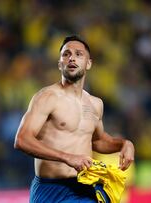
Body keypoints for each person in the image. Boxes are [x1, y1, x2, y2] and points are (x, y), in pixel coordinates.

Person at [14, 35, 135, 202]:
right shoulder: (47, 97)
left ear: (88, 63)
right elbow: (22, 140)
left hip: (84, 186)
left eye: (79, 54)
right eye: (66, 54)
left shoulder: (95, 104)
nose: (72, 58)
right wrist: (67, 157)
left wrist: (124, 144)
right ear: (59, 63)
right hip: (51, 189)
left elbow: (98, 141)